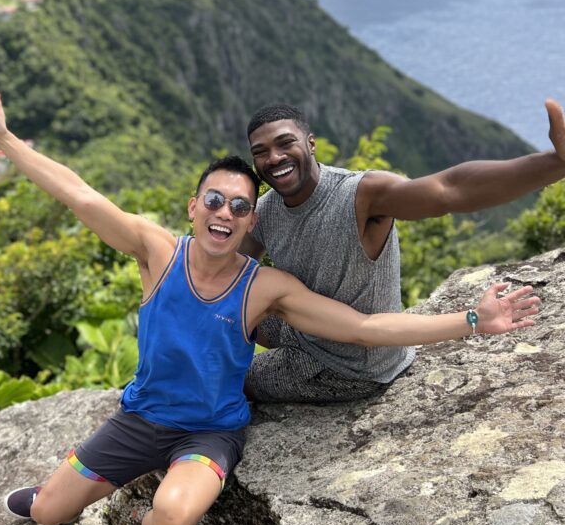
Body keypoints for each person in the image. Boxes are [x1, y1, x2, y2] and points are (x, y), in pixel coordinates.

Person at [0, 85, 540, 525]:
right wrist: (5, 140)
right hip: (140, 419)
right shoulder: (155, 251)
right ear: (193, 207)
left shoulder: (268, 284)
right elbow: (77, 192)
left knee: (173, 521)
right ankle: (60, 490)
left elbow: (364, 325)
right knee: (49, 511)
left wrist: (471, 321)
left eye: (239, 205)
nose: (225, 212)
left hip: (209, 433)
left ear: (250, 220)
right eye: (215, 200)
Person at [242, 99, 565, 404]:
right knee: (240, 315)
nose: (274, 158)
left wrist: (553, 165)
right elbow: (229, 277)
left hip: (353, 365)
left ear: (310, 144)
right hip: (312, 328)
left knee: (228, 378)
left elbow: (450, 189)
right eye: (261, 152)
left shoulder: (360, 196)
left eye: (286, 143)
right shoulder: (267, 209)